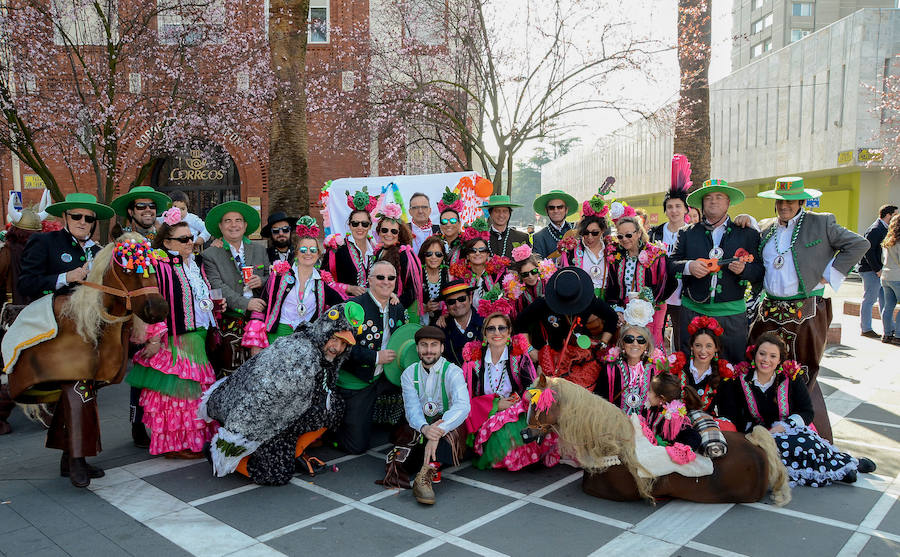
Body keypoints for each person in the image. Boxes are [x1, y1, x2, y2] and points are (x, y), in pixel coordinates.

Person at [749, 177, 869, 443]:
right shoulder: (766, 227)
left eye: (790, 201)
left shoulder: (821, 222)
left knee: (802, 372)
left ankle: (805, 433)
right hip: (769, 309)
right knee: (763, 367)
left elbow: (859, 244)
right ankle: (767, 427)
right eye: (780, 201)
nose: (784, 206)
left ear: (801, 201)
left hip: (806, 309)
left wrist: (831, 273)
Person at [199, 302, 361, 484]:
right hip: (261, 417)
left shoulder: (322, 351)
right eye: (335, 339)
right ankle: (222, 456)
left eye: (344, 344)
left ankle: (295, 452)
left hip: (287, 415)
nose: (337, 348)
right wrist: (233, 442)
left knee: (334, 405)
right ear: (325, 330)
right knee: (275, 475)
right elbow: (259, 403)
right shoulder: (301, 355)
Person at [16, 193, 116, 487]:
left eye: (89, 218)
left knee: (85, 392)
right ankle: (76, 460)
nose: (83, 222)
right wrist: (65, 277)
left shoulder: (100, 251)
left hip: (93, 334)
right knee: (78, 391)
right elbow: (26, 284)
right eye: (77, 217)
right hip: (58, 334)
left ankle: (68, 457)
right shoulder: (45, 243)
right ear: (65, 218)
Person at [717, 332, 876, 486]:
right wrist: (754, 432)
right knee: (777, 450)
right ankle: (839, 469)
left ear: (780, 359)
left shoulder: (791, 378)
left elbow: (807, 411)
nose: (766, 360)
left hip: (790, 428)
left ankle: (847, 464)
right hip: (759, 433)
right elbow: (732, 414)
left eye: (773, 356)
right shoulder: (741, 381)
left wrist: (784, 426)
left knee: (804, 442)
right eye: (762, 354)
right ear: (754, 354)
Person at [127, 210, 218, 458]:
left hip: (198, 336)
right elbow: (152, 305)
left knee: (195, 395)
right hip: (175, 339)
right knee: (178, 397)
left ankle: (192, 441)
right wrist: (155, 337)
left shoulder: (195, 265)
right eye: (183, 239)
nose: (190, 242)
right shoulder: (160, 265)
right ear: (167, 243)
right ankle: (175, 446)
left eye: (191, 237)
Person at [670, 179, 763, 363]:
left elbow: (760, 271)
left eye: (719, 197)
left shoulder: (747, 233)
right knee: (690, 365)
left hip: (732, 316)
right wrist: (689, 267)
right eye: (709, 197)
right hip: (693, 312)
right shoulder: (687, 233)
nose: (713, 201)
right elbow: (671, 264)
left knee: (734, 367)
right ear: (702, 204)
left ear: (728, 202)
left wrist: (744, 269)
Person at [110, 186, 173, 446]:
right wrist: (153, 333)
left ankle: (165, 426)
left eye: (151, 207)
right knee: (142, 377)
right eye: (141, 207)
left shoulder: (164, 237)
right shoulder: (126, 243)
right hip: (143, 319)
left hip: (170, 313)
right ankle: (138, 425)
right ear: (130, 211)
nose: (147, 211)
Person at [380, 326, 470, 505]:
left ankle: (425, 475)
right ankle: (432, 464)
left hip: (447, 426)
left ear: (442, 348)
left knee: (452, 436)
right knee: (398, 463)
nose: (429, 350)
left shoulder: (453, 372)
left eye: (434, 345)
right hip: (421, 426)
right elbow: (412, 409)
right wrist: (425, 428)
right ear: (417, 348)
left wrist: (438, 430)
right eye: (424, 345)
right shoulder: (409, 374)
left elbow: (462, 406)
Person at [463, 313, 555, 471]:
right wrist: (495, 405)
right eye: (491, 328)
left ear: (509, 332)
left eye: (501, 328)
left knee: (528, 433)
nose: (496, 333)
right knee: (504, 444)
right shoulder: (474, 363)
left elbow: (530, 386)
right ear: (485, 333)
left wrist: (527, 396)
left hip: (516, 410)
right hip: (487, 414)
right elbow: (467, 398)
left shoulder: (519, 358)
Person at [336, 261, 408, 454]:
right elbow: (340, 347)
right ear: (369, 280)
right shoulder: (353, 307)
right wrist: (375, 357)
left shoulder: (397, 307)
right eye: (380, 277)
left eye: (391, 278)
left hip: (383, 378)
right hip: (356, 380)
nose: (386, 282)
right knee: (356, 447)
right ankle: (332, 426)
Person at [242, 216, 344, 353]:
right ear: (296, 253)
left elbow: (340, 305)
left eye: (313, 250)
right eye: (303, 250)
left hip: (306, 342)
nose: (308, 253)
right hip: (277, 339)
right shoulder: (279, 277)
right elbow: (262, 304)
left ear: (318, 254)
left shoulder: (321, 282)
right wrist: (256, 345)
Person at [515, 267, 617, 390]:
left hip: (584, 358)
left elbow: (612, 317)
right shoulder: (544, 303)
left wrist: (603, 343)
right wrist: (530, 349)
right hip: (553, 357)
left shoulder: (589, 300)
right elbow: (520, 323)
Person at [200, 201, 269, 377]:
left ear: (245, 226)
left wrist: (261, 281)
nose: (234, 225)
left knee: (259, 375)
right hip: (229, 321)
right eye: (228, 220)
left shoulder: (260, 250)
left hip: (260, 320)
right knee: (230, 375)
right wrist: (247, 303)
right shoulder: (210, 255)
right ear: (220, 226)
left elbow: (272, 277)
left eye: (238, 220)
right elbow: (217, 285)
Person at [605, 216, 674, 347]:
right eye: (620, 236)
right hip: (626, 311)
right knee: (629, 346)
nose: (624, 239)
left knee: (650, 345)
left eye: (629, 235)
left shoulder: (656, 254)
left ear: (639, 233)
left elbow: (668, 283)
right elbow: (612, 288)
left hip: (652, 310)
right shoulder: (616, 258)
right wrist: (618, 310)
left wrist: (649, 302)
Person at [648, 154, 692, 351]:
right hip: (659, 294)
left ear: (685, 209)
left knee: (681, 339)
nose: (674, 211)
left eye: (678, 206)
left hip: (684, 295)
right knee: (655, 336)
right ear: (665, 210)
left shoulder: (693, 233)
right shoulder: (656, 233)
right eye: (670, 207)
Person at [665, 316, 734, 417]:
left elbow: (727, 413)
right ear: (691, 346)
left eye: (709, 346)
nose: (703, 351)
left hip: (707, 426)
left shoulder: (721, 376)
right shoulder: (678, 369)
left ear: (716, 348)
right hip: (678, 423)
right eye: (698, 345)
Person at [323, 189, 378, 299]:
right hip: (345, 304)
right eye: (355, 223)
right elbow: (324, 281)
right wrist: (348, 288)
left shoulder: (375, 249)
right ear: (349, 225)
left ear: (370, 226)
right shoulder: (337, 248)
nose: (360, 227)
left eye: (364, 224)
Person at [594, 323, 658, 414]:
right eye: (629, 339)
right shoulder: (610, 369)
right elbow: (599, 400)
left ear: (646, 345)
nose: (635, 344)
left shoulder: (654, 370)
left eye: (641, 340)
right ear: (623, 344)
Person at [373, 202, 424, 316]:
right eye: (384, 230)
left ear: (399, 234)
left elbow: (413, 289)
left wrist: (398, 305)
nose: (388, 234)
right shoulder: (378, 252)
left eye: (394, 231)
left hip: (396, 312)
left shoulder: (405, 254)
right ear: (379, 231)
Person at [860, 204, 898, 338]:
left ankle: (889, 330)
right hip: (871, 270)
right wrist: (877, 270)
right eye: (895, 214)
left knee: (884, 302)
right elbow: (868, 251)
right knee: (869, 299)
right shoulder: (876, 229)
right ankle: (866, 329)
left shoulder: (885, 229)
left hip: (881, 272)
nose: (896, 217)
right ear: (888, 215)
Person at [642, 372, 703, 454]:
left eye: (650, 391)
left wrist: (676, 450)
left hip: (666, 454)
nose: (647, 394)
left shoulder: (675, 417)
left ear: (662, 398)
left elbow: (695, 437)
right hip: (650, 448)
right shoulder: (650, 409)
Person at [559, 206, 612, 298]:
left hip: (607, 301)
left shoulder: (611, 250)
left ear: (603, 231)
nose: (590, 237)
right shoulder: (572, 250)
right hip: (580, 300)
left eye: (595, 233)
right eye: (585, 233)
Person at [439, 280, 483, 367]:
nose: (457, 305)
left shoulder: (486, 324)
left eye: (461, 299)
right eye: (451, 302)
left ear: (470, 299)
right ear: (446, 306)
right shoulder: (441, 329)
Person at [503, 246, 555, 317]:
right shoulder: (515, 293)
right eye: (525, 274)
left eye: (534, 271)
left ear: (538, 269)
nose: (530, 276)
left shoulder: (548, 282)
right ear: (519, 275)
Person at [531, 190, 578, 262]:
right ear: (547, 211)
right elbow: (538, 264)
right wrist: (557, 260)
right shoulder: (538, 237)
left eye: (560, 207)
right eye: (551, 208)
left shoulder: (577, 230)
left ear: (566, 210)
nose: (556, 211)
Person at [418, 236, 449, 326]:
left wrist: (444, 314)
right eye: (429, 254)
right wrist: (425, 308)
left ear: (443, 256)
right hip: (419, 323)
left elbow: (453, 300)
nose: (433, 257)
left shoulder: (448, 274)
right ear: (423, 256)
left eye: (438, 254)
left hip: (442, 323)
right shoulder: (417, 275)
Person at [880, 214, 900, 344]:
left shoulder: (887, 240)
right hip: (898, 277)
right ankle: (898, 335)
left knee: (888, 307)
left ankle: (886, 335)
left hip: (885, 276)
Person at [436, 188, 464, 264]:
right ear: (440, 226)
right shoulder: (434, 243)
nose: (448, 224)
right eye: (444, 221)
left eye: (453, 221)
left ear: (459, 224)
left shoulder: (466, 244)